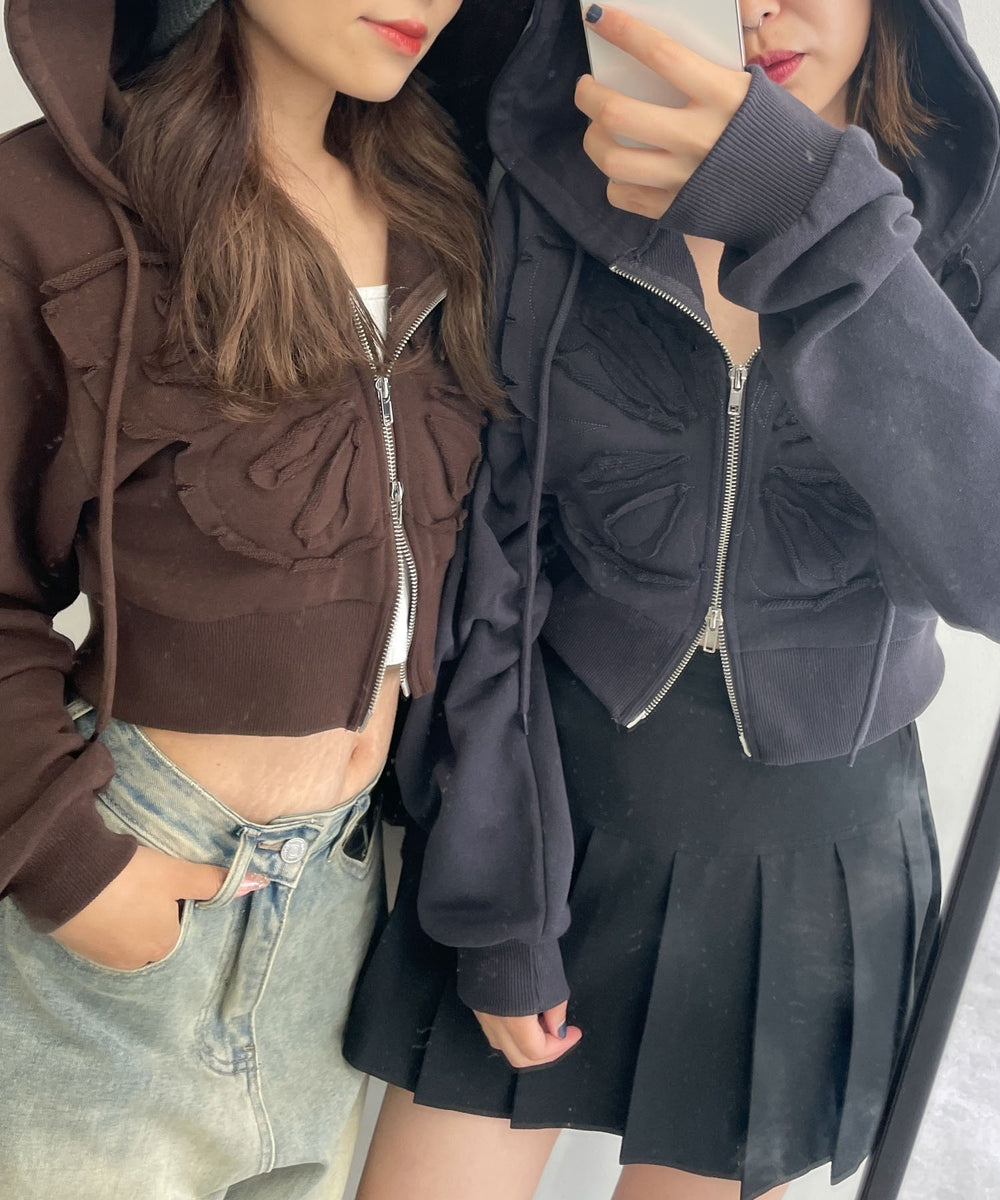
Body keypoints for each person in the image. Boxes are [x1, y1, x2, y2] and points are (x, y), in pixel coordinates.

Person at [344, 1, 1000, 1198]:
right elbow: (492, 563)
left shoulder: (970, 208)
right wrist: (497, 903)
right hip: (543, 816)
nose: (759, 9)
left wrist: (804, 206)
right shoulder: (546, 177)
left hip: (812, 867)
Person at [0, 0, 500, 1196]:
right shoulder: (58, 205)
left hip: (343, 908)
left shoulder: (446, 204)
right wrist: (70, 862)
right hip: (131, 889)